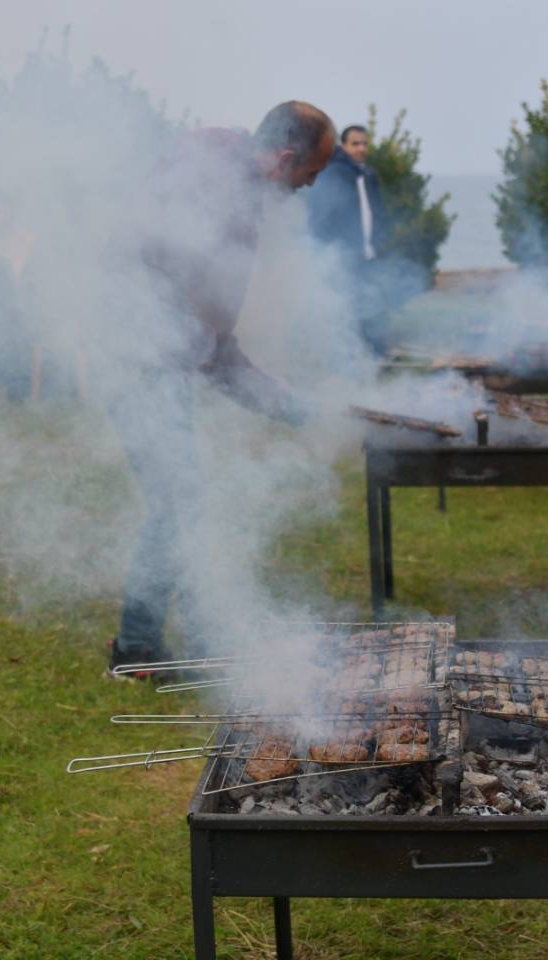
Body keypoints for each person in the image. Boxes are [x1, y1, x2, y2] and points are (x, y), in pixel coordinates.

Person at [107, 100, 335, 676]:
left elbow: (216, 347)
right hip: (137, 360)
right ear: (285, 159)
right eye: (310, 174)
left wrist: (293, 407)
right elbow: (207, 341)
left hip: (155, 361)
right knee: (178, 499)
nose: (308, 187)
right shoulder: (210, 180)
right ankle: (137, 648)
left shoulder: (230, 184)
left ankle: (182, 633)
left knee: (182, 499)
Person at [306, 124, 387, 352]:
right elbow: (320, 216)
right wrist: (326, 251)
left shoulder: (367, 174)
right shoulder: (334, 172)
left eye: (365, 144)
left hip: (367, 255)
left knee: (368, 305)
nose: (361, 148)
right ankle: (347, 354)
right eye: (355, 144)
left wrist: (379, 244)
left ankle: (369, 353)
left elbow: (377, 213)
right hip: (342, 255)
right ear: (343, 146)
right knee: (345, 307)